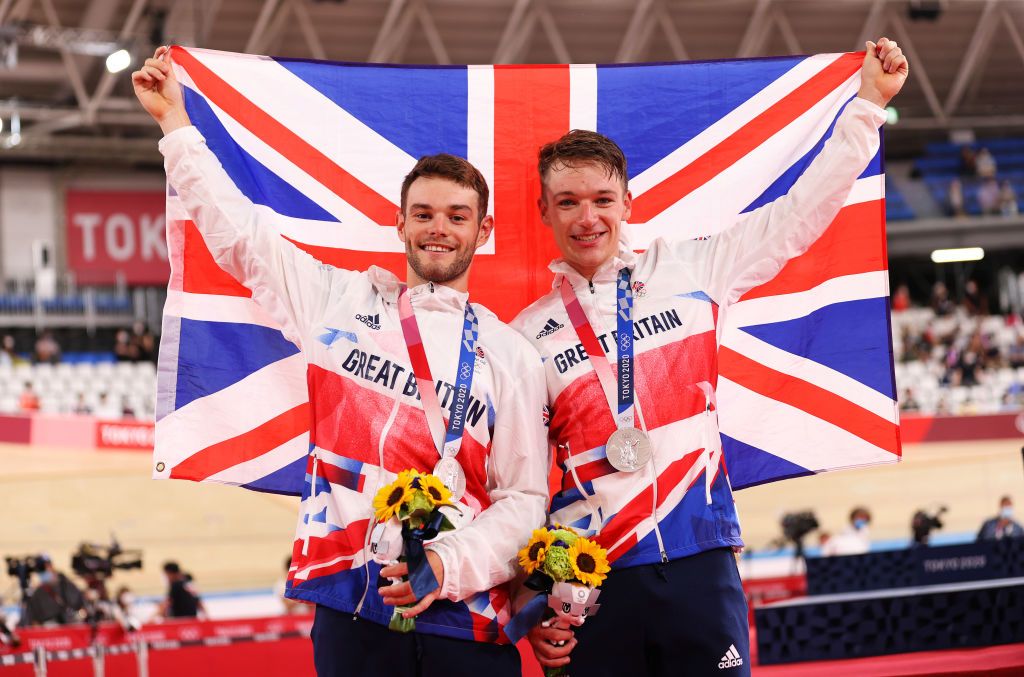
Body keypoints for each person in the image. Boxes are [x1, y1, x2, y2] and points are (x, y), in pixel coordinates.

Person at [133, 46, 548, 676]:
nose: (439, 229)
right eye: (424, 214)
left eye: (457, 217)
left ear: (482, 231)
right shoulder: (338, 301)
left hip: (469, 616)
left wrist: (449, 562)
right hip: (350, 600)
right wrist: (175, 127)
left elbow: (523, 498)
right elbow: (239, 233)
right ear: (400, 224)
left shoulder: (512, 353)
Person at [512, 38, 907, 675]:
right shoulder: (524, 336)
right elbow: (522, 482)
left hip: (700, 558)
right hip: (591, 580)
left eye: (602, 200)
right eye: (568, 202)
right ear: (545, 212)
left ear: (627, 204)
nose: (587, 217)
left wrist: (867, 106)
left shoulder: (693, 269)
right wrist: (531, 603)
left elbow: (799, 215)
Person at [22, 556, 85, 626]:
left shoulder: (65, 585)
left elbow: (78, 603)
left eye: (44, 567)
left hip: (71, 625)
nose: (42, 571)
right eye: (39, 569)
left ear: (51, 566)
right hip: (50, 628)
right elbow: (33, 618)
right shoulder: (38, 592)